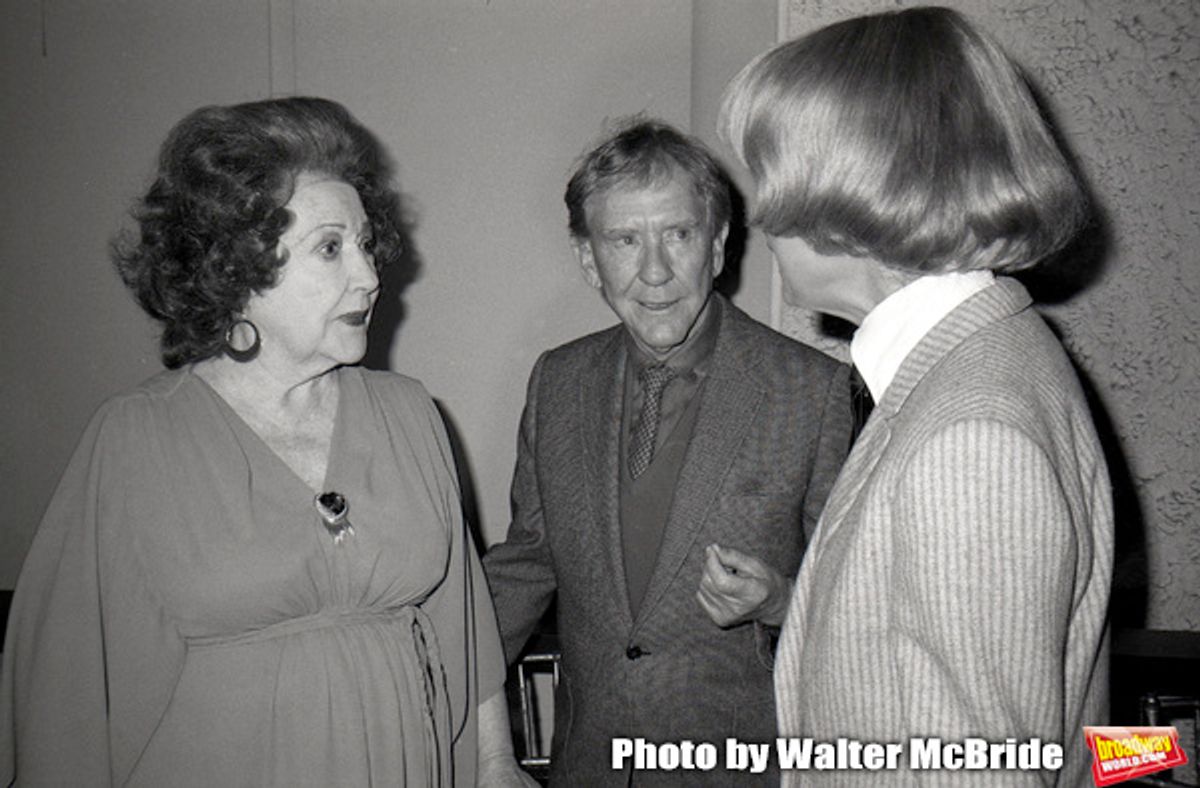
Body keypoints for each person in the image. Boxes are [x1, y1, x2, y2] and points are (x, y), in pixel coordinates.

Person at [0, 97, 533, 787]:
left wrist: (495, 765)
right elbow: (66, 696)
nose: (369, 275)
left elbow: (460, 624)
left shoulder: (409, 414)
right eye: (331, 247)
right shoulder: (137, 440)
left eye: (366, 244)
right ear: (238, 266)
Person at [720, 7, 1113, 785]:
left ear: (853, 187)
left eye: (770, 172)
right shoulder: (978, 360)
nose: (759, 212)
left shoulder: (969, 434)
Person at [482, 119, 852, 785]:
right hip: (591, 766)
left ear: (717, 245)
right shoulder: (557, 382)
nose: (654, 272)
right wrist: (419, 682)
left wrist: (776, 602)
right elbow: (528, 562)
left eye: (678, 234)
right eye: (625, 240)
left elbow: (860, 604)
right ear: (589, 258)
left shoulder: (814, 390)